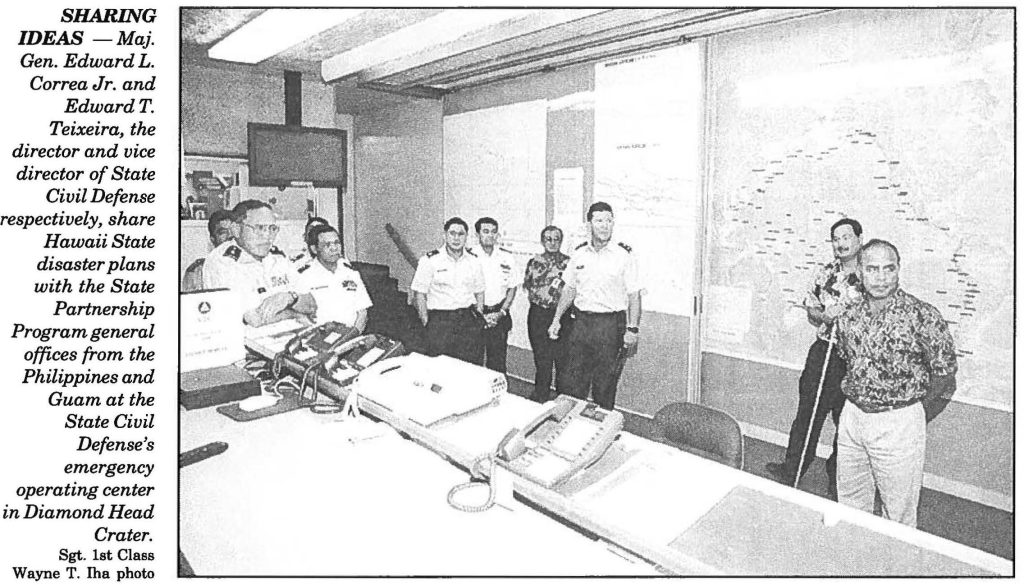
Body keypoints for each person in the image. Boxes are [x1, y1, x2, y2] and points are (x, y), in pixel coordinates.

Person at [834, 239, 957, 528]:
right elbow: (846, 359)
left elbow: (945, 372)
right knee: (850, 502)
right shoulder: (848, 316)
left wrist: (912, 411)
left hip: (898, 422)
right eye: (872, 269)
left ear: (898, 270)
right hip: (852, 418)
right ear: (860, 273)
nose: (881, 277)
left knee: (898, 512)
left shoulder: (922, 315)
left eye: (888, 269)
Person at [766, 218, 863, 493]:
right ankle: (792, 469)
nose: (841, 243)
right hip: (823, 352)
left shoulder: (870, 276)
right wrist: (825, 316)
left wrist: (845, 315)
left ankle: (838, 479)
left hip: (853, 358)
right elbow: (812, 309)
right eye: (836, 239)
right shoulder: (826, 273)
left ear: (859, 239)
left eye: (846, 237)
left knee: (846, 421)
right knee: (807, 414)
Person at [548, 202, 642, 410]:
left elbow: (634, 295)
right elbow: (570, 289)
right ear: (589, 223)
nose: (604, 225)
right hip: (581, 324)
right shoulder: (579, 253)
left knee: (604, 385)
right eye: (599, 220)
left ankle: (602, 431)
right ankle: (573, 428)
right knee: (574, 382)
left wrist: (632, 329)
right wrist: (556, 320)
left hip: (610, 325)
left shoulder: (623, 256)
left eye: (608, 220)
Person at [203, 200, 316, 327]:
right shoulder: (222, 262)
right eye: (259, 228)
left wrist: (289, 298)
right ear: (236, 230)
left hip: (294, 337)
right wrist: (297, 314)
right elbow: (255, 319)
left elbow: (311, 305)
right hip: (252, 343)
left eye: (272, 229)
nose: (267, 236)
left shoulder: (277, 258)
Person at [411, 217, 485, 363]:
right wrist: (426, 322)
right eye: (452, 233)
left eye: (461, 234)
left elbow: (480, 291)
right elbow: (419, 294)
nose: (456, 238)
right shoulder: (429, 261)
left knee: (471, 367)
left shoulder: (474, 261)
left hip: (467, 320)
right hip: (441, 321)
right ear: (445, 235)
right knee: (440, 369)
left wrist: (478, 316)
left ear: (466, 237)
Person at [523, 225, 572, 402]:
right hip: (538, 315)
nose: (552, 242)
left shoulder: (569, 263)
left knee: (562, 361)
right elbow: (529, 288)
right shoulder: (534, 262)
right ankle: (540, 395)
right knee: (542, 359)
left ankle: (562, 399)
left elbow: (572, 290)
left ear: (561, 241)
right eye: (548, 239)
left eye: (556, 239)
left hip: (562, 316)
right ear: (543, 241)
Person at [295, 224, 372, 333]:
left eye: (337, 243)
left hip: (351, 337)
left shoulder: (351, 273)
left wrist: (352, 336)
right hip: (319, 339)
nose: (334, 248)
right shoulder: (304, 276)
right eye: (327, 245)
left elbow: (363, 313)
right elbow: (300, 316)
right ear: (314, 249)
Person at [472, 217, 518, 373]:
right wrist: (480, 314)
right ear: (477, 234)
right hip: (474, 314)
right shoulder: (469, 257)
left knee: (498, 363)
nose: (490, 235)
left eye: (493, 232)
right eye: (485, 231)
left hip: (499, 314)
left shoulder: (507, 257)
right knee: (473, 361)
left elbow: (512, 287)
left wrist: (501, 312)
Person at [181, 210, 233, 292]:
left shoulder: (252, 267)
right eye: (223, 232)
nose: (230, 236)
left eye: (234, 231)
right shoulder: (197, 272)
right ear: (213, 239)